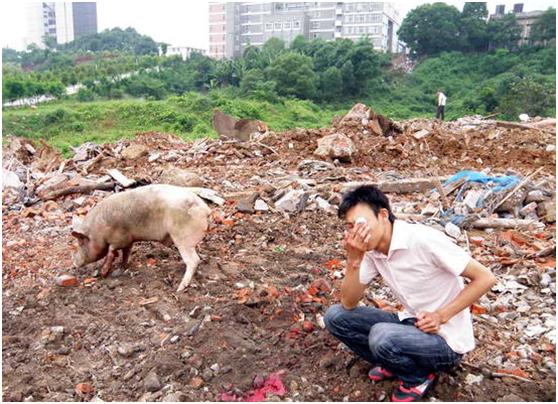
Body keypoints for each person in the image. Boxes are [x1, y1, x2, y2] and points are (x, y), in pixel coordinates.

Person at [324, 185, 496, 402]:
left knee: (382, 336)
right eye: (350, 227)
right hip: (413, 322)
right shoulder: (372, 250)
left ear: (383, 215)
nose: (357, 233)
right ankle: (392, 362)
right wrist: (354, 260)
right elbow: (348, 302)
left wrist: (441, 315)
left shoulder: (422, 240)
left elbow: (486, 277)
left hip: (445, 341)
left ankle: (416, 378)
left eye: (360, 223)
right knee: (336, 317)